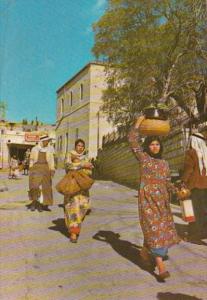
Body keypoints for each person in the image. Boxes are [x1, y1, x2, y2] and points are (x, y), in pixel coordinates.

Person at [128, 115, 180, 280]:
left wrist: (177, 191)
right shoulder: (144, 158)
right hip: (147, 200)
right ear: (147, 146)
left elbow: (167, 182)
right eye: (152, 144)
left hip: (162, 201)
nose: (155, 147)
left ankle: (144, 253)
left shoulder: (164, 164)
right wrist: (138, 123)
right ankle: (160, 267)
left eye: (157, 144)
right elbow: (132, 140)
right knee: (154, 229)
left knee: (156, 230)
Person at [64, 139, 93, 243]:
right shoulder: (70, 154)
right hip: (73, 184)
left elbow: (90, 170)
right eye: (78, 145)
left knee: (84, 206)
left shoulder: (86, 157)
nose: (80, 147)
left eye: (82, 146)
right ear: (75, 146)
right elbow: (67, 166)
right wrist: (81, 165)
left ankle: (74, 226)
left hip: (83, 186)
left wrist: (87, 168)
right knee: (73, 208)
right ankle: (73, 233)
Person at [181, 132, 207, 241]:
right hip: (205, 185)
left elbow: (188, 169)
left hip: (194, 185)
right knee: (204, 210)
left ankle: (194, 235)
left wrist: (183, 182)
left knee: (194, 211)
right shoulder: (206, 153)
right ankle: (204, 232)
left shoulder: (191, 153)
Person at [28, 135, 55, 212]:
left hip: (46, 169)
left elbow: (51, 161)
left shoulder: (50, 150)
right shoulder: (35, 149)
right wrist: (31, 168)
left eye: (48, 141)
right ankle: (34, 203)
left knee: (45, 187)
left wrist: (52, 169)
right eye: (47, 141)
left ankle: (41, 204)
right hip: (36, 168)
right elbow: (31, 160)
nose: (48, 142)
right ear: (42, 141)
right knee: (35, 186)